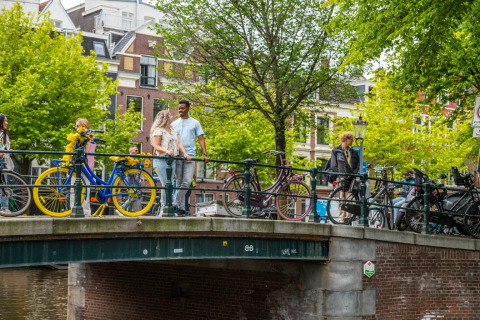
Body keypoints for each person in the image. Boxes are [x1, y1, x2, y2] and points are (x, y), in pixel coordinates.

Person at [171, 100, 209, 216]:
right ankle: (181, 209)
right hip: (178, 155)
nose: (180, 110)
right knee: (179, 182)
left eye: (182, 108)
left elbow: (201, 139)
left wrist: (205, 154)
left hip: (190, 155)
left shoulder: (195, 123)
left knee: (186, 182)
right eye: (179, 108)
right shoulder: (174, 124)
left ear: (188, 109)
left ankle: (174, 203)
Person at [150, 109, 190, 216]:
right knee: (165, 184)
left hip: (171, 161)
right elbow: (156, 146)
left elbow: (179, 142)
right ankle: (164, 208)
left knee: (170, 184)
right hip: (161, 160)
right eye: (169, 115)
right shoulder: (159, 130)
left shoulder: (172, 129)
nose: (172, 117)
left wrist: (185, 153)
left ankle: (167, 207)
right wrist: (167, 151)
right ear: (165, 118)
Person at [329, 131, 360, 223]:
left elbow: (357, 164)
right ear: (346, 139)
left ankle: (348, 219)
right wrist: (341, 174)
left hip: (351, 178)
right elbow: (333, 165)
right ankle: (341, 219)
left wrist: (353, 173)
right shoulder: (336, 151)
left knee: (349, 198)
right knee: (342, 198)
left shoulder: (353, 152)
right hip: (341, 177)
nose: (353, 141)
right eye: (351, 139)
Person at [75, 118, 95, 216]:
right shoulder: (79, 139)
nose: (76, 128)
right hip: (78, 167)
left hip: (85, 168)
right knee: (74, 190)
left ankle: (86, 212)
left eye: (77, 126)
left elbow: (89, 156)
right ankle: (73, 210)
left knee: (85, 191)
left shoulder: (89, 140)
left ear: (83, 127)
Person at [0, 114, 14, 214]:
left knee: (3, 185)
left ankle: (4, 208)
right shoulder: (2, 135)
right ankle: (4, 208)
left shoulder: (4, 135)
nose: (7, 123)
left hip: (3, 161)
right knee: (4, 185)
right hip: (2, 160)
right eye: (5, 121)